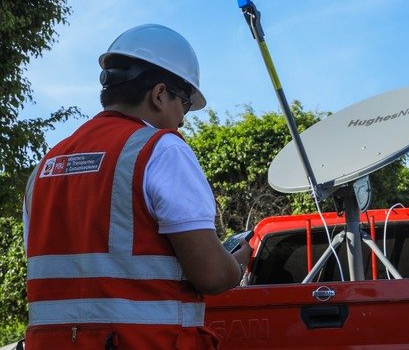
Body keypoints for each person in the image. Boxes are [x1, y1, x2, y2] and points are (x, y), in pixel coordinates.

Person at [23, 24, 252, 349]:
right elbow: (212, 276)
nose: (183, 119)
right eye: (184, 104)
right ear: (160, 94)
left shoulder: (45, 168)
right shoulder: (161, 150)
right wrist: (237, 265)